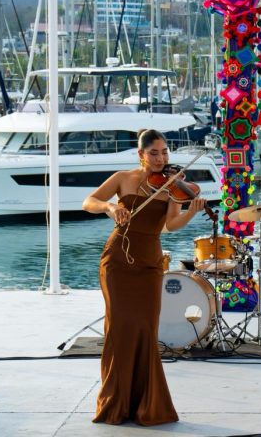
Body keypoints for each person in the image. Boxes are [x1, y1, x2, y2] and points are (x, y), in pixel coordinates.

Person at [83, 129, 206, 426]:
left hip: (150, 263)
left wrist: (191, 211)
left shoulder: (171, 186)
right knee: (120, 329)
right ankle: (116, 402)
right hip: (117, 262)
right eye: (154, 153)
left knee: (145, 329)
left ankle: (145, 402)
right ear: (141, 155)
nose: (161, 158)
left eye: (165, 152)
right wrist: (111, 207)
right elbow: (89, 201)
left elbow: (172, 225)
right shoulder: (123, 178)